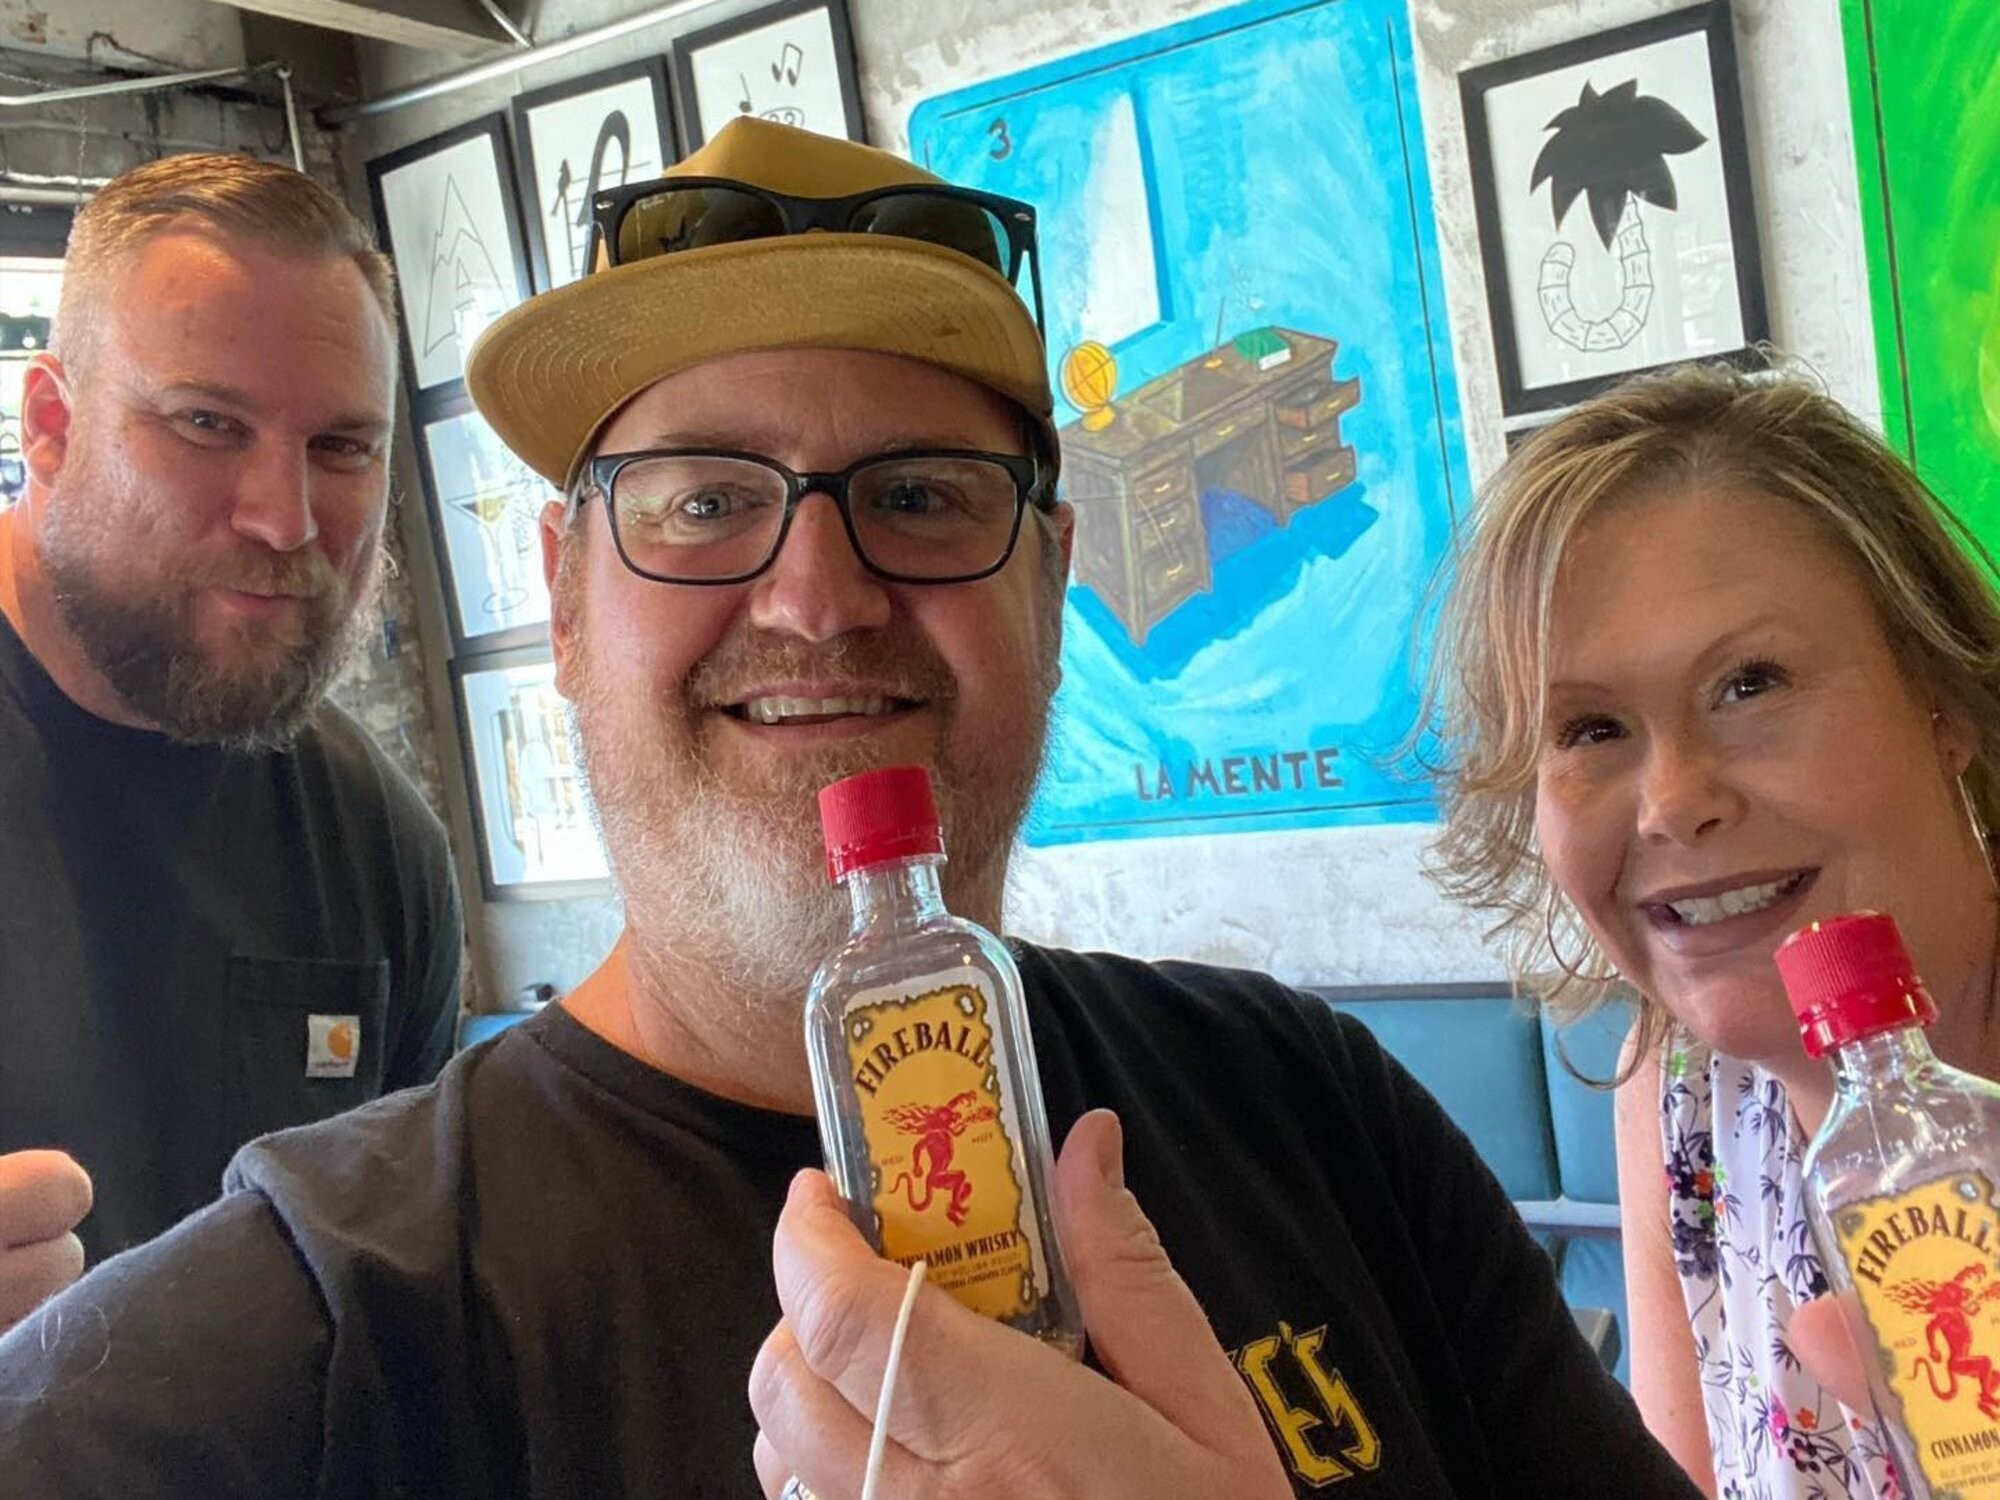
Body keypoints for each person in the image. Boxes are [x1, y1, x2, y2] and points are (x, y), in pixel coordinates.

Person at [0, 120, 1697, 1498]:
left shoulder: (1319, 1118)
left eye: (922, 496)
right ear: (569, 601)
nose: (818, 595)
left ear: (1053, 587)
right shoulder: (304, 1326)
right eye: (703, 500)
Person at [1426, 361, 2000, 1498]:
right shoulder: (1680, 1082)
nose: (1671, 798)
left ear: (1936, 699)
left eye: (1749, 683)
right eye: (1589, 728)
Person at [0, 153, 463, 1318]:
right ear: (50, 425)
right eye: (207, 423)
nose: (285, 516)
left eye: (342, 448)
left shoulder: (374, 843)